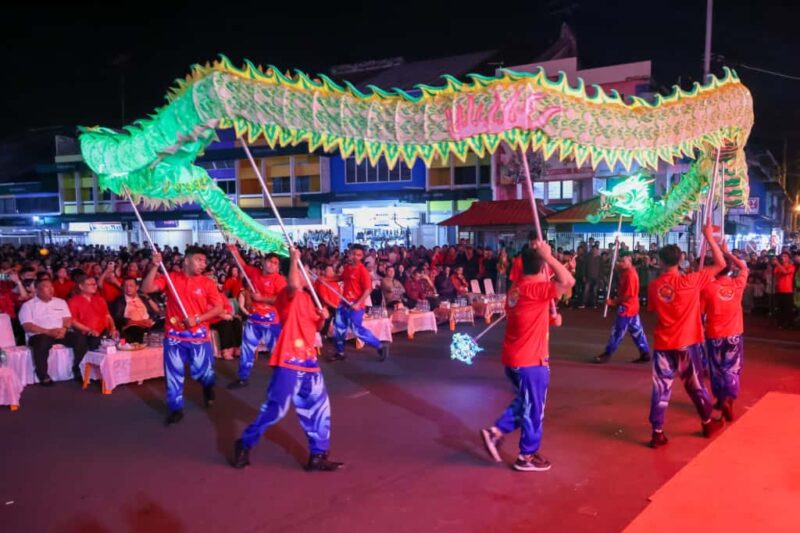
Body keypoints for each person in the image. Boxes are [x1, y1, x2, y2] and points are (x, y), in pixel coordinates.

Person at [232, 247, 343, 471]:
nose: (307, 274)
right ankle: (244, 443)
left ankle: (318, 454)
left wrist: (323, 318)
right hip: (288, 360)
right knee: (276, 409)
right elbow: (292, 284)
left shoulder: (310, 300)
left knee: (319, 408)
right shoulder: (288, 294)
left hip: (309, 361)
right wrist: (294, 259)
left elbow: (314, 328)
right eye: (303, 271)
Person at [480, 241, 575, 472]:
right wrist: (550, 257)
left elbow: (529, 315)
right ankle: (526, 456)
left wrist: (552, 319)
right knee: (534, 409)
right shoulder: (537, 289)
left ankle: (496, 432)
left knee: (525, 402)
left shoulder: (517, 288)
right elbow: (568, 282)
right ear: (542, 265)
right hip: (531, 360)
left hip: (513, 358)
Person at [646, 225, 726, 448]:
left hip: (663, 344)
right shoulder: (691, 281)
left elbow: (653, 309)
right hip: (686, 343)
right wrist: (709, 237)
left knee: (661, 388)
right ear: (680, 260)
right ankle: (707, 422)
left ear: (661, 262)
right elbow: (721, 264)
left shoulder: (654, 286)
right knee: (696, 385)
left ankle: (657, 432)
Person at [142, 246, 225, 426]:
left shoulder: (207, 283)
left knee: (204, 373)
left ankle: (208, 387)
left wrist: (198, 319)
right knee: (173, 374)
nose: (203, 264)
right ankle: (175, 408)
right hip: (174, 336)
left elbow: (219, 308)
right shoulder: (171, 278)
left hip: (199, 336)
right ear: (186, 260)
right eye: (198, 260)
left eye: (204, 261)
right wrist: (155, 266)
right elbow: (147, 288)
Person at [226, 246, 287, 389]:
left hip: (272, 322)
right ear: (263, 262)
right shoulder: (254, 273)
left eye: (275, 263)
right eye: (270, 261)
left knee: (276, 351)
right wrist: (234, 251)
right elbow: (242, 265)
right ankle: (243, 377)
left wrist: (262, 298)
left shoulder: (279, 280)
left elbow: (281, 299)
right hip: (254, 320)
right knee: (247, 349)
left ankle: (282, 378)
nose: (272, 265)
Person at [701, 243, 748, 422]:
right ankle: (729, 399)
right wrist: (728, 253)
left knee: (717, 369)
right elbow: (744, 267)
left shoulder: (708, 289)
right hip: (734, 334)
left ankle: (720, 399)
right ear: (730, 271)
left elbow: (701, 313)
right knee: (732, 368)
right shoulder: (738, 284)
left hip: (714, 334)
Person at [18, 278, 85, 385]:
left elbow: (67, 319)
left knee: (79, 338)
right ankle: (42, 375)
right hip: (40, 334)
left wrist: (64, 329)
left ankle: (78, 369)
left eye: (52, 286)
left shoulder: (61, 302)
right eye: (46, 287)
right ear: (37, 290)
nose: (51, 289)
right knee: (42, 341)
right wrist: (48, 331)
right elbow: (28, 326)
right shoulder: (28, 306)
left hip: (60, 332)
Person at [331, 244, 389, 362]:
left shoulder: (363, 271)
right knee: (339, 328)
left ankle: (380, 345)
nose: (353, 256)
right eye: (352, 253)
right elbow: (341, 278)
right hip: (344, 303)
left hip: (356, 305)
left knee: (356, 329)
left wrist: (358, 303)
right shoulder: (347, 267)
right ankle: (340, 352)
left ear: (361, 257)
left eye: (357, 255)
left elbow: (368, 289)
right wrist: (326, 279)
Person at [593, 251, 650, 364]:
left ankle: (608, 353)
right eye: (619, 261)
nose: (620, 263)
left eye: (622, 261)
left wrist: (613, 302)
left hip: (627, 307)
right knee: (637, 330)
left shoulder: (630, 274)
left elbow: (628, 295)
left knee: (618, 331)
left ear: (629, 260)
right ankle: (645, 353)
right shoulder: (626, 272)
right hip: (632, 307)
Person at [68, 274, 117, 353]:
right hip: (86, 333)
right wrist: (89, 330)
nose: (94, 286)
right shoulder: (73, 301)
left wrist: (113, 328)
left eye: (95, 284)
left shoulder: (100, 299)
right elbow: (73, 321)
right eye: (91, 284)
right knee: (94, 341)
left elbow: (108, 316)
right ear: (81, 286)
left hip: (103, 332)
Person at [110, 278, 158, 343]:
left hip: (147, 327)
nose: (128, 288)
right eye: (125, 286)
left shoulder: (143, 298)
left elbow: (152, 312)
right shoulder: (119, 301)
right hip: (131, 329)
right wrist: (138, 323)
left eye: (131, 286)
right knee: (135, 330)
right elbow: (118, 319)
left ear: (137, 287)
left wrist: (151, 320)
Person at [772, 251, 796, 329]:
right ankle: (780, 323)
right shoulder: (777, 267)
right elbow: (776, 275)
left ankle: (790, 324)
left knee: (788, 309)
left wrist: (777, 264)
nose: (783, 257)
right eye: (782, 256)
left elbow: (785, 272)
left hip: (788, 291)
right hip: (779, 290)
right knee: (780, 308)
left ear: (789, 259)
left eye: (785, 256)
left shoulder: (791, 266)